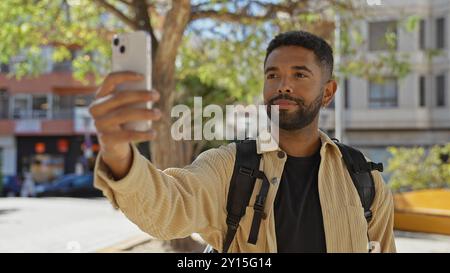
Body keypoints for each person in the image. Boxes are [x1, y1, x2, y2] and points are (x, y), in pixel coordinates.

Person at [90, 31, 396, 253]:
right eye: (272, 75)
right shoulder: (229, 165)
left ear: (328, 92)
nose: (283, 85)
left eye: (299, 75)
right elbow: (170, 207)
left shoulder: (363, 178)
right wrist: (118, 155)